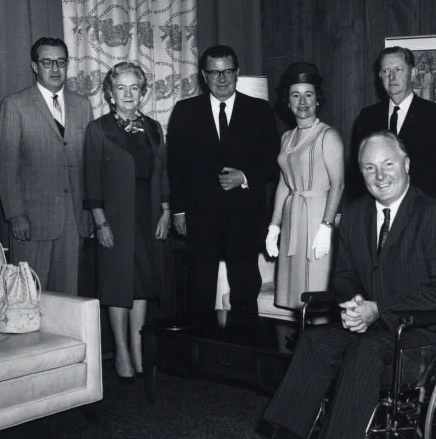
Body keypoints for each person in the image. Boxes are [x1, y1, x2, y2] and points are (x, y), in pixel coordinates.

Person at [264, 131, 436, 439]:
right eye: (370, 168)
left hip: (426, 334)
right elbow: (345, 276)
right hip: (376, 327)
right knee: (315, 340)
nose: (380, 175)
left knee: (365, 349)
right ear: (361, 173)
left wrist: (379, 309)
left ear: (406, 164)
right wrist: (354, 304)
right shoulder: (355, 215)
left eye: (388, 164)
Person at [167, 45, 280, 329]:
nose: (221, 78)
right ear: (204, 76)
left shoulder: (259, 109)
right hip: (200, 216)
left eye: (227, 71)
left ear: (237, 73)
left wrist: (245, 176)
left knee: (244, 285)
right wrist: (178, 211)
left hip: (244, 215)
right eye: (214, 72)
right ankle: (201, 354)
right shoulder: (185, 111)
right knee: (200, 287)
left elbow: (272, 160)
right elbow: (176, 165)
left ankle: (244, 353)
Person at [83, 62, 170, 382]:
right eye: (121, 87)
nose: (128, 93)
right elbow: (91, 179)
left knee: (143, 284)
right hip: (116, 219)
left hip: (147, 215)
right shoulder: (99, 129)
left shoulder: (154, 127)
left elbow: (162, 173)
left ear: (144, 92)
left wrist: (165, 210)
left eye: (135, 87)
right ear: (110, 93)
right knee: (118, 284)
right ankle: (120, 351)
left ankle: (137, 349)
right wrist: (100, 222)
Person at [0, 37, 93, 295]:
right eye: (47, 62)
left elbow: (90, 164)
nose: (55, 69)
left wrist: (91, 211)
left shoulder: (82, 105)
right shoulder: (15, 104)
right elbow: (5, 166)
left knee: (68, 299)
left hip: (74, 221)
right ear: (34, 66)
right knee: (28, 298)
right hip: (32, 221)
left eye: (61, 62)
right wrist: (15, 214)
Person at [265, 62, 345, 309]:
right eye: (295, 95)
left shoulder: (328, 135)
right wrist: (274, 226)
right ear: (287, 101)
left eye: (308, 94)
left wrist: (327, 226)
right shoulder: (287, 137)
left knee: (316, 288)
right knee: (294, 292)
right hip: (292, 218)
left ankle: (317, 340)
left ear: (317, 99)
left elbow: (338, 184)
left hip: (317, 218)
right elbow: (283, 183)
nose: (302, 101)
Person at [352, 46, 436, 217]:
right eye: (386, 71)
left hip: (423, 217)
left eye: (398, 70)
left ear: (413, 73)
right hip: (377, 217)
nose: (392, 77)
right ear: (380, 75)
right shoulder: (367, 117)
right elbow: (358, 176)